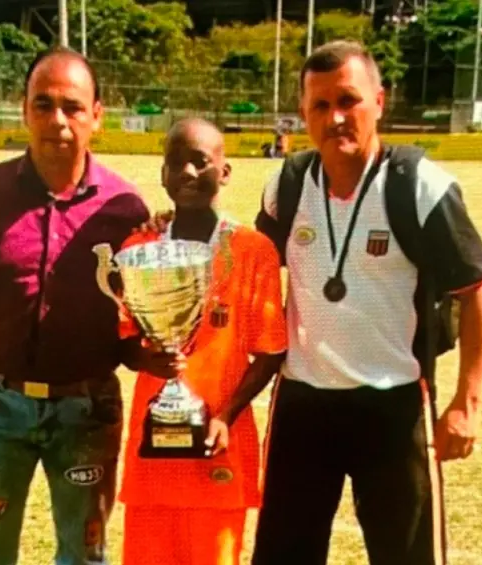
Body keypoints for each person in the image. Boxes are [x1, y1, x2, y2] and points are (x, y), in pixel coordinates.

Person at [251, 40, 482, 565]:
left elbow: (478, 288)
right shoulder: (288, 186)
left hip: (393, 404)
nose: (336, 117)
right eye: (321, 105)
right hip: (304, 404)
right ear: (303, 113)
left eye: (349, 101)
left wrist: (466, 405)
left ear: (379, 102)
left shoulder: (419, 187)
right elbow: (248, 269)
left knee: (407, 557)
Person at [0, 46, 149, 565]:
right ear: (24, 109)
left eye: (72, 106)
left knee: (84, 554)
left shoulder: (125, 210)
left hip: (86, 413)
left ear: (96, 114)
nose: (58, 120)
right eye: (43, 104)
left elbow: (133, 320)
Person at [116, 118, 288, 565]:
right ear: (163, 175)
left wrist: (227, 414)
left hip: (219, 445)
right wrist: (148, 360)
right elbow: (124, 342)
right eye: (176, 164)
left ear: (225, 172)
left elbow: (271, 350)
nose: (189, 173)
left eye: (201, 161)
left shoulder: (253, 251)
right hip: (152, 452)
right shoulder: (141, 246)